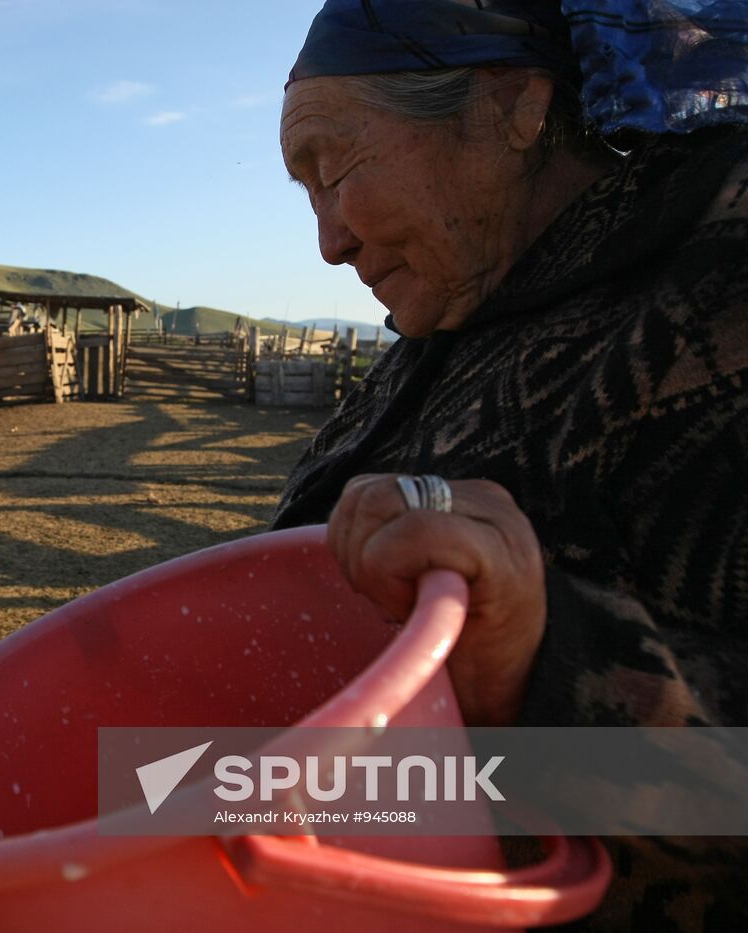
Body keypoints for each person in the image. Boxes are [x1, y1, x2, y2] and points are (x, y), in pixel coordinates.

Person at [273, 1, 748, 929]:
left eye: (334, 170)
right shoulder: (454, 319)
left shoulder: (717, 293)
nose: (328, 241)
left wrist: (540, 664)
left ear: (516, 108)